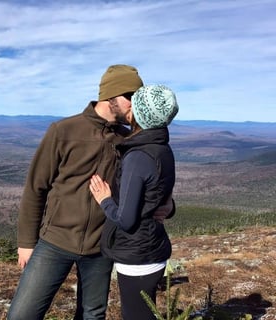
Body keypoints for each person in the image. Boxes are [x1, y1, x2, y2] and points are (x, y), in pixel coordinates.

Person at [7, 65, 171, 320]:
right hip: (55, 241)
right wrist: (26, 243)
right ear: (110, 96)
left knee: (92, 315)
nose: (135, 104)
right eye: (130, 96)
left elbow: (151, 183)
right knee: (22, 315)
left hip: (100, 247)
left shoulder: (130, 141)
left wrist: (168, 206)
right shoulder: (63, 131)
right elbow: (35, 187)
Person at [89, 84, 178, 320]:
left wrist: (104, 199)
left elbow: (126, 220)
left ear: (140, 113)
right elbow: (157, 193)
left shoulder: (138, 156)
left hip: (137, 256)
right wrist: (170, 207)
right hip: (152, 250)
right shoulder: (162, 148)